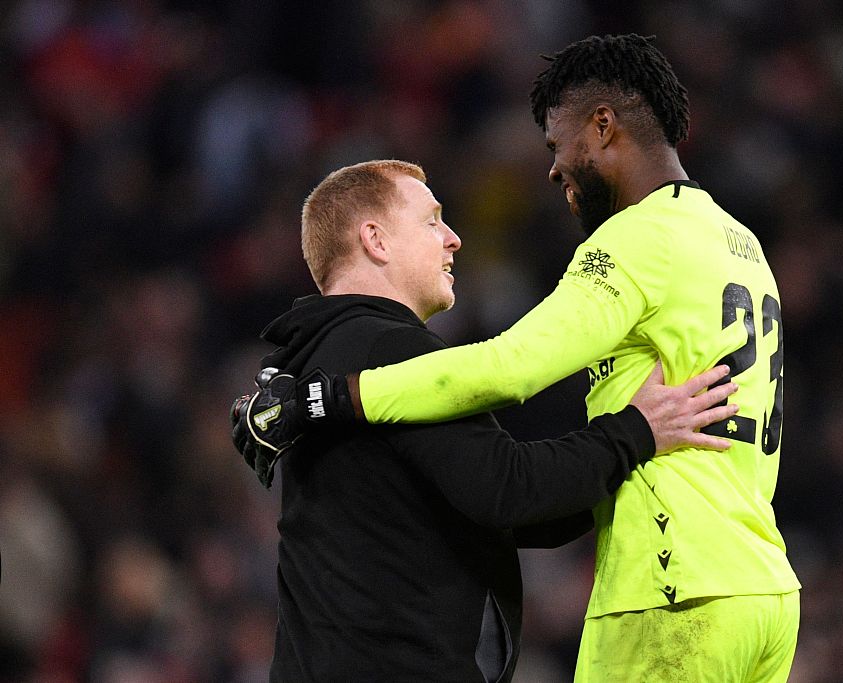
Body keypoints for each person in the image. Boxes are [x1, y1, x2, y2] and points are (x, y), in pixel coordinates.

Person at [236, 34, 801, 681]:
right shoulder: (741, 245)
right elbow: (502, 492)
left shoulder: (637, 240)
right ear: (374, 239)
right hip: (761, 587)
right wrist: (625, 439)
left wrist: (322, 397)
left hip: (672, 587)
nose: (555, 168)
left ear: (604, 125)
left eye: (558, 144)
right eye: (432, 221)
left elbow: (510, 371)